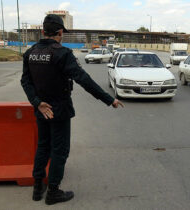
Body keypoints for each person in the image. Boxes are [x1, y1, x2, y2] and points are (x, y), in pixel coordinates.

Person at [21, 14, 124, 205]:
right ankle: (53, 192)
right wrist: (109, 99)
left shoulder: (30, 52)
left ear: (43, 32)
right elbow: (83, 80)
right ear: (59, 32)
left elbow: (25, 81)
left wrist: (37, 102)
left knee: (43, 146)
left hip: (42, 109)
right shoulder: (63, 54)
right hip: (59, 109)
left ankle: (37, 188)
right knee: (59, 150)